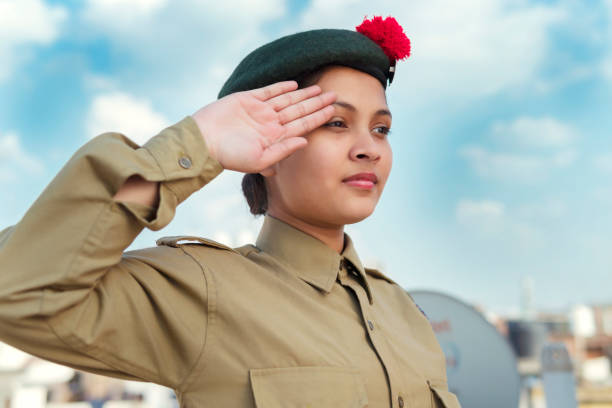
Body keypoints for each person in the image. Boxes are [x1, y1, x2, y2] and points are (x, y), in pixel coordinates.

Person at [0, 15, 461, 408]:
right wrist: (194, 147)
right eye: (336, 123)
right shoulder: (204, 293)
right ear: (270, 151)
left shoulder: (404, 312)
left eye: (382, 129)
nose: (370, 150)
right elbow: (16, 290)